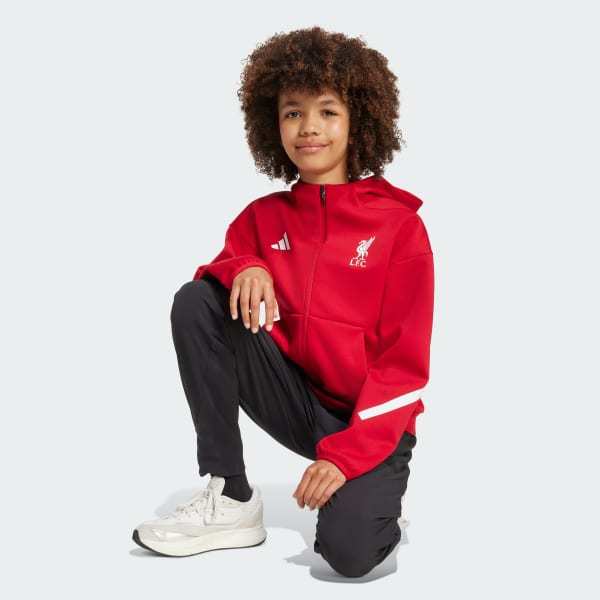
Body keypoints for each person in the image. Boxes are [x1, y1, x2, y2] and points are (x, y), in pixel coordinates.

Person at [132, 26, 434, 578]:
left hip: (370, 421)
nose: (309, 127)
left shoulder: (399, 228)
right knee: (197, 301)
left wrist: (347, 456)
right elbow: (214, 280)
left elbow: (402, 369)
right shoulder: (262, 218)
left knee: (348, 557)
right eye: (293, 112)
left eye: (328, 112)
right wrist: (244, 265)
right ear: (272, 125)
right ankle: (231, 495)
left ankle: (376, 503)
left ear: (359, 121)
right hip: (296, 400)